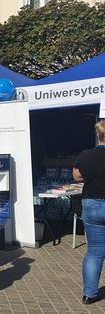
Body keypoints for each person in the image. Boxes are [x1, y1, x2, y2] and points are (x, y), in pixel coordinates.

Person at [74, 121, 105, 305]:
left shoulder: (86, 155)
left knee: (94, 252)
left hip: (92, 203)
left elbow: (76, 175)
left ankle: (89, 294)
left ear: (98, 135)